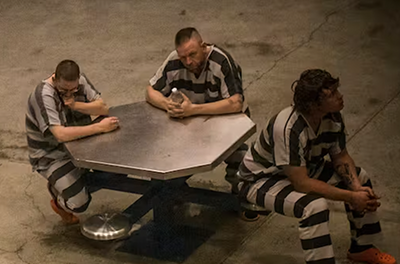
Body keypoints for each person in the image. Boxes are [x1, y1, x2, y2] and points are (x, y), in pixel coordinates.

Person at [235, 69, 396, 264]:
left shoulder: (333, 116)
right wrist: (352, 197)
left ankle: (362, 247)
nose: (340, 96)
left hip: (304, 168)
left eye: (336, 90)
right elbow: (302, 184)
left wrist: (356, 189)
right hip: (261, 180)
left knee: (360, 178)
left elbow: (341, 157)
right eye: (332, 94)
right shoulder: (288, 128)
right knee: (314, 207)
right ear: (313, 104)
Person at [26, 60, 120, 224]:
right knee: (78, 204)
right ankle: (59, 197)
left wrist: (76, 105)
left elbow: (103, 108)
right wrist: (99, 128)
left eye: (73, 89)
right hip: (52, 154)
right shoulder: (44, 94)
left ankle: (71, 182)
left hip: (81, 145)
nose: (68, 93)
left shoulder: (80, 82)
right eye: (63, 90)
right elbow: (60, 135)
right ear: (54, 79)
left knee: (118, 167)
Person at [146, 27, 248, 177]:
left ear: (203, 46)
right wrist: (167, 104)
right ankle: (171, 190)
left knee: (241, 162)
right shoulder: (174, 60)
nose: (188, 61)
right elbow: (150, 91)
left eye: (192, 54)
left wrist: (193, 109)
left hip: (222, 119)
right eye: (183, 57)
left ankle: (240, 189)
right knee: (164, 156)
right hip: (190, 122)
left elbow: (235, 103)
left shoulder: (221, 61)